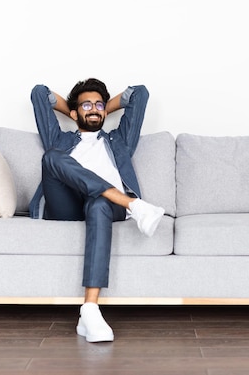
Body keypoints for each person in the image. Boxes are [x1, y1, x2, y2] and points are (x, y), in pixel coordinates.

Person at [28, 79, 164, 342]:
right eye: (87, 105)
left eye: (99, 105)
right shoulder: (61, 138)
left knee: (99, 202)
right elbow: (39, 93)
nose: (94, 109)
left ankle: (89, 311)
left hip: (104, 208)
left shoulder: (119, 141)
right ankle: (134, 206)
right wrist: (75, 108)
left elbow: (140, 94)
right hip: (66, 205)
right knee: (51, 156)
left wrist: (98, 108)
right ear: (74, 112)